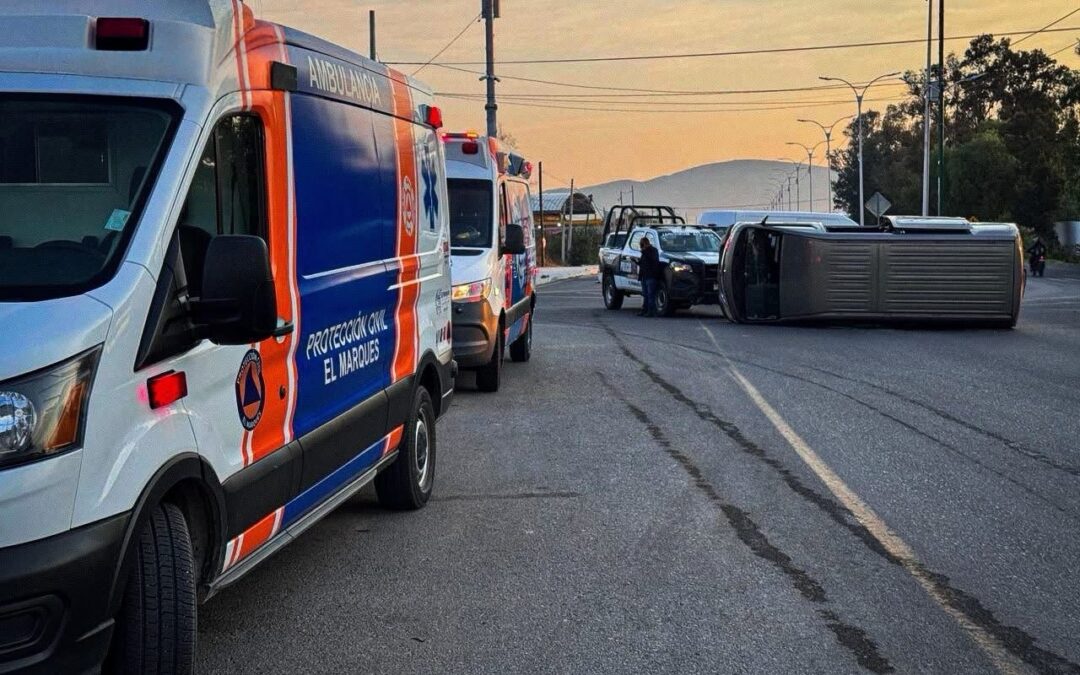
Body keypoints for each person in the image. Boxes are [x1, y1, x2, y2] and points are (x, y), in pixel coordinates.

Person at [638, 236, 662, 317]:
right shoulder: (644, 252)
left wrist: (645, 251)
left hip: (651, 276)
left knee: (650, 294)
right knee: (645, 294)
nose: (641, 246)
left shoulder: (652, 250)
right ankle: (645, 309)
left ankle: (651, 311)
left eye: (642, 244)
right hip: (644, 276)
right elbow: (642, 263)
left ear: (645, 243)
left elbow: (654, 261)